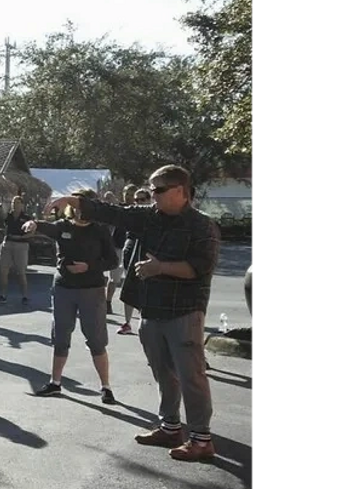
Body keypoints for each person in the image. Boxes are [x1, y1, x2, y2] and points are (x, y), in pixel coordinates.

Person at [45, 165, 221, 461]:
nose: (152, 196)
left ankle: (201, 439)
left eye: (158, 191)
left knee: (191, 376)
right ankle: (170, 426)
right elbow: (114, 213)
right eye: (151, 190)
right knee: (162, 373)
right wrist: (72, 201)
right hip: (151, 311)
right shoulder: (150, 217)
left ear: (180, 191)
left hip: (184, 312)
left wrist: (160, 268)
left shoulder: (202, 226)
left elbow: (200, 267)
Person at [22, 189, 120, 404]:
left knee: (95, 340)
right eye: (75, 206)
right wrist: (33, 224)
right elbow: (44, 226)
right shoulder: (63, 227)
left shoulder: (100, 230)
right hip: (64, 288)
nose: (78, 211)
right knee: (60, 337)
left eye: (82, 206)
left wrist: (90, 266)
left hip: (92, 290)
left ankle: (106, 387)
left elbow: (112, 261)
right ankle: (55, 383)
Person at [115, 187, 152, 335]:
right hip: (131, 248)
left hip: (147, 250)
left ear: (149, 200)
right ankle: (127, 322)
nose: (139, 202)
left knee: (146, 285)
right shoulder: (132, 213)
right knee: (129, 283)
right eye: (136, 200)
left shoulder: (154, 214)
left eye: (142, 199)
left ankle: (144, 319)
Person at [0, 195, 33, 305]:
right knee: (3, 271)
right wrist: (0, 209)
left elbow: (32, 232)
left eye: (17, 203)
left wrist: (21, 237)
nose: (14, 205)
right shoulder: (9, 216)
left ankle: (25, 295)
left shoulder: (26, 218)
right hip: (7, 243)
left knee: (21, 272)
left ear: (22, 205)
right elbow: (4, 220)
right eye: (13, 203)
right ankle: (3, 295)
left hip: (21, 245)